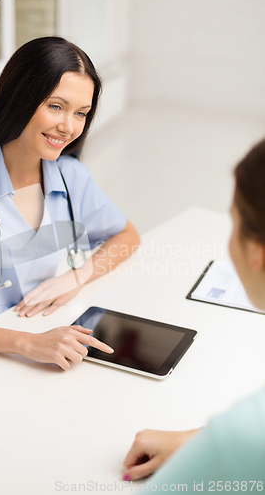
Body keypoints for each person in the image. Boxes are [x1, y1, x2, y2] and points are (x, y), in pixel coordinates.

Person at [0, 37, 140, 368]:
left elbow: (126, 236)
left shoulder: (70, 175)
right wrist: (27, 343)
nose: (68, 127)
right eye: (56, 106)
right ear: (19, 98)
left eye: (81, 113)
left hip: (34, 344)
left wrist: (78, 276)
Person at [122, 139, 265, 490]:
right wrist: (198, 441)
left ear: (258, 255)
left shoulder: (243, 437)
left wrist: (216, 450)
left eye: (233, 224)